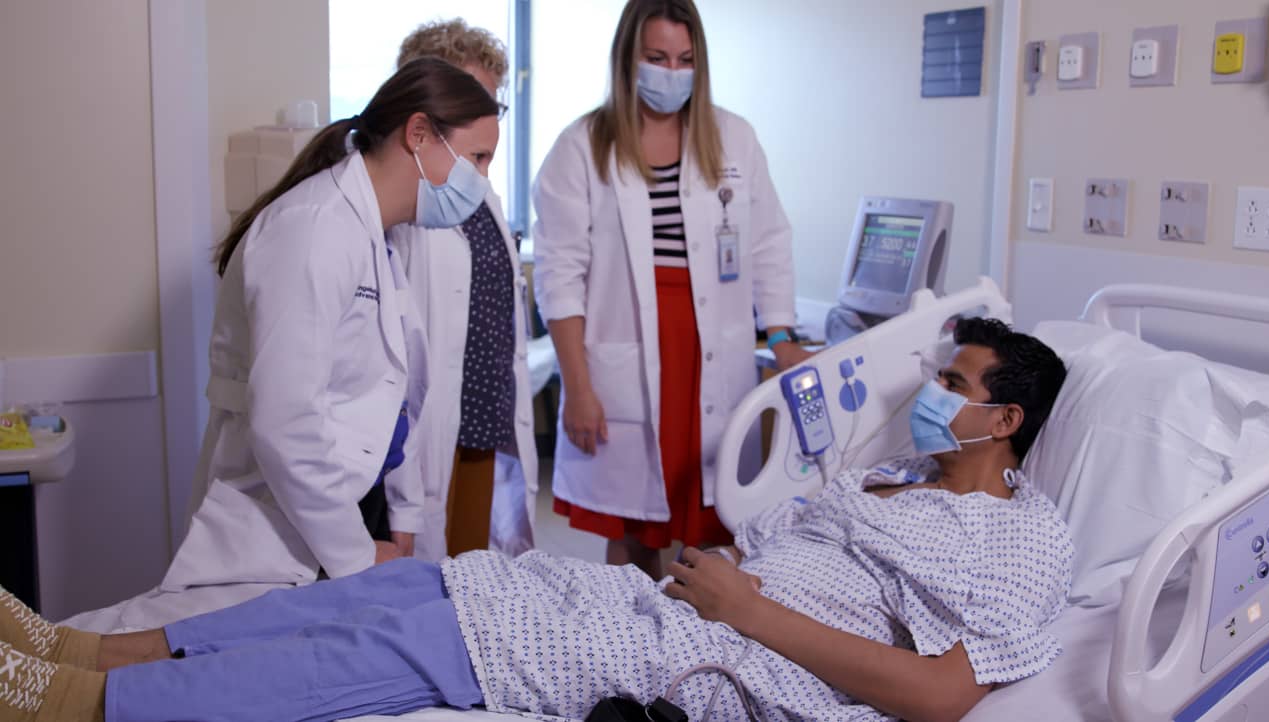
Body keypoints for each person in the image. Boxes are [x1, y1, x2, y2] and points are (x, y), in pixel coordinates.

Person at [0, 318, 1072, 722]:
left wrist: (745, 604)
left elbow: (938, 692)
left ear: (1007, 416)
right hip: (682, 604)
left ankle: (93, 704)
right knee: (406, 582)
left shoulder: (1025, 537)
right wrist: (726, 568)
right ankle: (92, 645)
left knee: (420, 636)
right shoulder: (889, 480)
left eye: (954, 379)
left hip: (734, 657)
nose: (929, 390)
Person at [158, 58, 502, 591]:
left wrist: (404, 512)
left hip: (353, 498)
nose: (481, 180)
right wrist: (357, 553)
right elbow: (286, 421)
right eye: (477, 158)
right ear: (418, 133)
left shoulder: (383, 235)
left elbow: (395, 392)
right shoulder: (314, 228)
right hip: (286, 515)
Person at [532, 0, 810, 578]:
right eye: (657, 57)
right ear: (628, 58)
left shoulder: (733, 137)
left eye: (685, 59)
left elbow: (768, 244)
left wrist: (782, 336)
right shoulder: (583, 145)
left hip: (713, 353)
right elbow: (561, 278)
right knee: (632, 528)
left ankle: (694, 647)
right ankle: (629, 638)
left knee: (710, 522)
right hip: (627, 351)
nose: (671, 72)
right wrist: (578, 388)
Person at [388, 19, 540, 560]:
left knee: (474, 578)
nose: (486, 116)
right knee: (425, 579)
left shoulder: (479, 191)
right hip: (427, 428)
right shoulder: (402, 206)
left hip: (483, 417)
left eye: (492, 102)